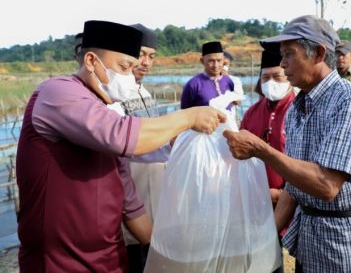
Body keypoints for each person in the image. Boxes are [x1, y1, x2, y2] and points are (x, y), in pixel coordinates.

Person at [16, 20, 225, 272]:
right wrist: (189, 117)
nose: (129, 77)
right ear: (92, 61)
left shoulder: (105, 107)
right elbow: (119, 135)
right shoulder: (58, 93)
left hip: (109, 255)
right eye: (124, 68)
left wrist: (161, 249)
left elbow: (128, 197)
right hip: (60, 260)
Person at [224, 15, 351, 272]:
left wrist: (260, 150)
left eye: (289, 54)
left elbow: (326, 185)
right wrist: (266, 238)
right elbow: (294, 186)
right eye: (281, 55)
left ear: (319, 53)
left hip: (342, 243)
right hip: (309, 238)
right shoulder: (299, 108)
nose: (283, 63)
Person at [115, 23, 168, 273]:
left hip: (155, 193)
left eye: (151, 56)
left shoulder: (145, 92)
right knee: (132, 255)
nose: (145, 62)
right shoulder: (114, 93)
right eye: (140, 54)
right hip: (129, 192)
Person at [240, 49, 295, 273]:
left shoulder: (300, 111)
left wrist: (279, 194)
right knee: (264, 260)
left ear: (289, 77)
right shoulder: (251, 113)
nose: (271, 82)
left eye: (277, 77)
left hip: (293, 202)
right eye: (265, 78)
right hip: (254, 205)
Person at [180, 41, 234, 109]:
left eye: (219, 60)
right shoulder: (193, 85)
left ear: (223, 60)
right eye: (211, 61)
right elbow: (184, 114)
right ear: (202, 61)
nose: (215, 65)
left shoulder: (229, 81)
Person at [222, 50, 244, 121]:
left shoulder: (234, 80)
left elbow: (237, 101)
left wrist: (225, 80)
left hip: (228, 120)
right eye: (220, 63)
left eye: (225, 64)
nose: (222, 66)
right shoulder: (207, 80)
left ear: (230, 65)